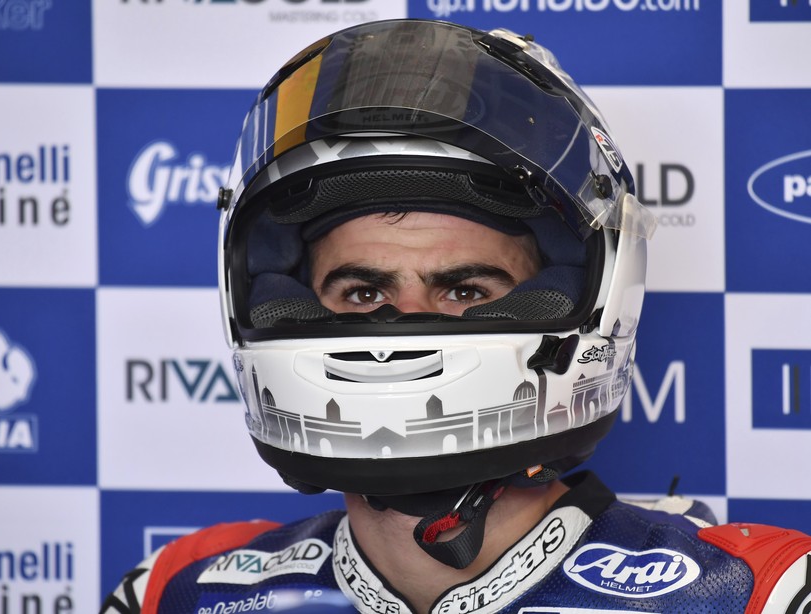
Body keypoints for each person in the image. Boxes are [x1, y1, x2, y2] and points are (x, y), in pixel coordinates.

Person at [101, 19, 811, 614]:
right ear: (275, 304)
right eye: (362, 292)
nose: (401, 322)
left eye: (464, 289)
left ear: (582, 296)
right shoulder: (181, 591)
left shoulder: (758, 593)